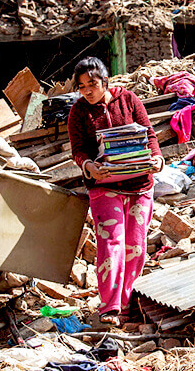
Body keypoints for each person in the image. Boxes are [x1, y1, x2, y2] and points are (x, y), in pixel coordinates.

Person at [67, 57, 164, 326]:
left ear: (105, 81)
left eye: (92, 84)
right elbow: (78, 149)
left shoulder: (129, 100)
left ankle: (127, 304)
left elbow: (150, 134)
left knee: (136, 247)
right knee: (111, 245)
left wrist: (157, 159)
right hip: (104, 186)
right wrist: (89, 166)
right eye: (82, 86)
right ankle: (109, 307)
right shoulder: (78, 112)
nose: (87, 90)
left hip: (140, 185)